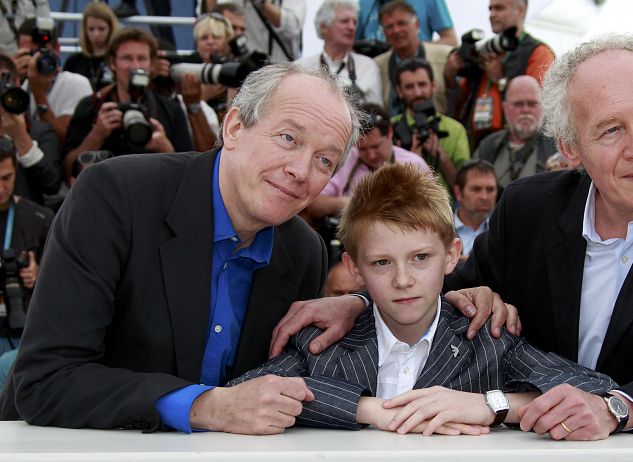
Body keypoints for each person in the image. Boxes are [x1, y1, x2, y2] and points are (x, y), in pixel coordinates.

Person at [275, 33, 633, 436]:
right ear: (571, 147)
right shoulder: (529, 208)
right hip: (531, 447)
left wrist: (615, 408)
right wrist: (362, 305)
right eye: (610, 130)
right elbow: (442, 287)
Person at [0, 62, 364, 434]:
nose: (301, 170)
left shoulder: (305, 252)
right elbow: (46, 380)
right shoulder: (115, 196)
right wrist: (206, 406)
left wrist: (360, 304)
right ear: (235, 127)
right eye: (289, 138)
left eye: (324, 160)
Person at [229, 162, 618, 438]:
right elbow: (240, 394)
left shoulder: (487, 339)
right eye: (382, 263)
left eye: (420, 258)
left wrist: (491, 405)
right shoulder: (322, 345)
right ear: (355, 268)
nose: (403, 280)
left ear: (451, 255)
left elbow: (596, 387)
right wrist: (367, 409)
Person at [62, 28, 192, 180]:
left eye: (142, 58)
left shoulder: (171, 110)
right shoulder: (91, 106)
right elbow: (67, 171)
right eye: (127, 58)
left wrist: (166, 149)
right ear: (112, 63)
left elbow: (189, 175)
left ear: (151, 65)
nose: (135, 66)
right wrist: (97, 135)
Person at [444, 0, 555, 146]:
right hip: (477, 144)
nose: (492, 14)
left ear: (520, 11)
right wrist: (449, 77)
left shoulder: (539, 52)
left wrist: (500, 80)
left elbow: (541, 105)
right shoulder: (483, 51)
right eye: (490, 9)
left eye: (499, 8)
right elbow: (460, 104)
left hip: (517, 145)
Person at [304, 102, 428, 222]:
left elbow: (431, 213)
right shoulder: (346, 160)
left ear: (390, 132)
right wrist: (344, 203)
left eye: (376, 146)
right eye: (362, 149)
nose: (370, 155)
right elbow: (313, 204)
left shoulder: (414, 164)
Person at [0, 141, 54, 392]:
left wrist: (39, 274)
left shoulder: (39, 217)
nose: (0, 188)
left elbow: (62, 278)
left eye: (6, 178)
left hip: (24, 326)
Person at [391, 58, 469, 189]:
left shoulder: (455, 130)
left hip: (445, 207)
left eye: (422, 85)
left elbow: (465, 188)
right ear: (399, 91)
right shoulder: (389, 129)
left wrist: (442, 157)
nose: (417, 92)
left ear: (433, 85)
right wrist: (409, 160)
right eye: (409, 87)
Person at [14, 18, 93, 146]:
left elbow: (63, 142)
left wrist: (38, 92)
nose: (35, 60)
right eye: (30, 54)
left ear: (57, 49)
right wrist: (12, 79)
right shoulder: (17, 86)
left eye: (41, 54)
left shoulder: (76, 84)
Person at [472, 75, 557, 193]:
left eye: (532, 104)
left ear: (542, 107)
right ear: (505, 108)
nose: (526, 110)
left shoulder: (558, 147)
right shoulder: (488, 146)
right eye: (518, 104)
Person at [0, 54, 62, 206]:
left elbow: (51, 184)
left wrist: (21, 138)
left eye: (3, 81)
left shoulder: (40, 131)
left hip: (25, 222)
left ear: (17, 83)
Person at [373, 0, 452, 115]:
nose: (396, 30)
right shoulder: (377, 66)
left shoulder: (445, 58)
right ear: (383, 32)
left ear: (417, 24)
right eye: (389, 26)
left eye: (401, 23)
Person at [298, 0, 383, 106]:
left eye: (354, 22)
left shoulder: (368, 66)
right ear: (324, 27)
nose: (352, 27)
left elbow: (377, 115)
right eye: (345, 21)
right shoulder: (301, 68)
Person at [204, 0, 306, 63]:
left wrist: (262, 3)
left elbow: (292, 27)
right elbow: (215, 20)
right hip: (244, 65)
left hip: (279, 68)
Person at [63, 2, 118, 91]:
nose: (96, 34)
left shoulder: (117, 60)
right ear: (85, 30)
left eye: (101, 29)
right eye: (91, 29)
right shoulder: (74, 61)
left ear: (110, 29)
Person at [355, 0, 457, 46]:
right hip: (377, 72)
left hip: (417, 72)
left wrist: (412, 48)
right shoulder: (363, 4)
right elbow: (348, 46)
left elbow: (451, 41)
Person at [452, 159, 497, 258]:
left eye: (490, 190)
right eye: (476, 189)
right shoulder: (438, 229)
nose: (484, 197)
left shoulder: (502, 233)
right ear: (458, 192)